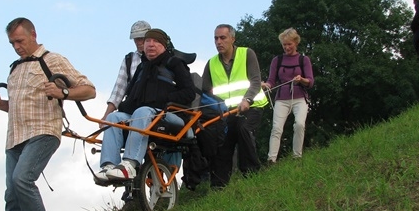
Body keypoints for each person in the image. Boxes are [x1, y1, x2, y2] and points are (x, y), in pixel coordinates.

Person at [0, 17, 96, 211]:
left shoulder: (52, 60)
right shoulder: (15, 68)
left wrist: (64, 93)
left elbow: (89, 89)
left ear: (33, 34)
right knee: (12, 194)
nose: (16, 47)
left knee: (22, 179)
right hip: (15, 138)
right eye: (12, 43)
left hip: (44, 131)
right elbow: (18, 107)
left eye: (20, 41)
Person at [95, 28, 196, 182]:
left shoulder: (174, 63)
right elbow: (131, 97)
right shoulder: (142, 68)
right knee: (114, 117)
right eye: (148, 41)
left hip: (170, 116)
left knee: (142, 111)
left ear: (163, 45)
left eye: (155, 41)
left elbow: (189, 93)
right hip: (144, 115)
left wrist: (166, 100)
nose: (150, 44)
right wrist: (122, 107)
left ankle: (130, 164)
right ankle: (109, 166)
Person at [201, 23, 268, 188]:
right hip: (225, 113)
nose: (218, 42)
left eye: (222, 38)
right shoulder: (211, 64)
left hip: (252, 106)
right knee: (221, 142)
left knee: (243, 129)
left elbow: (255, 81)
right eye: (215, 38)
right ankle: (218, 185)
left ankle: (252, 175)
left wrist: (247, 100)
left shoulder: (247, 54)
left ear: (233, 38)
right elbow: (205, 92)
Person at [262, 28, 314, 162]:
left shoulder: (304, 60)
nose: (286, 47)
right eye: (284, 44)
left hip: (300, 97)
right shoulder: (277, 60)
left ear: (296, 43)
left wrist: (301, 79)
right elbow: (271, 81)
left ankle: (297, 156)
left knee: (299, 125)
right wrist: (266, 85)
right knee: (276, 128)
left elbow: (310, 81)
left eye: (289, 44)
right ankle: (271, 159)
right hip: (282, 98)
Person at [100, 20, 151, 123]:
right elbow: (118, 90)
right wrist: (106, 116)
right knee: (112, 119)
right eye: (135, 39)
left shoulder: (160, 57)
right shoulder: (129, 59)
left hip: (151, 107)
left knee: (141, 113)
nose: (138, 42)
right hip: (132, 105)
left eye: (141, 38)